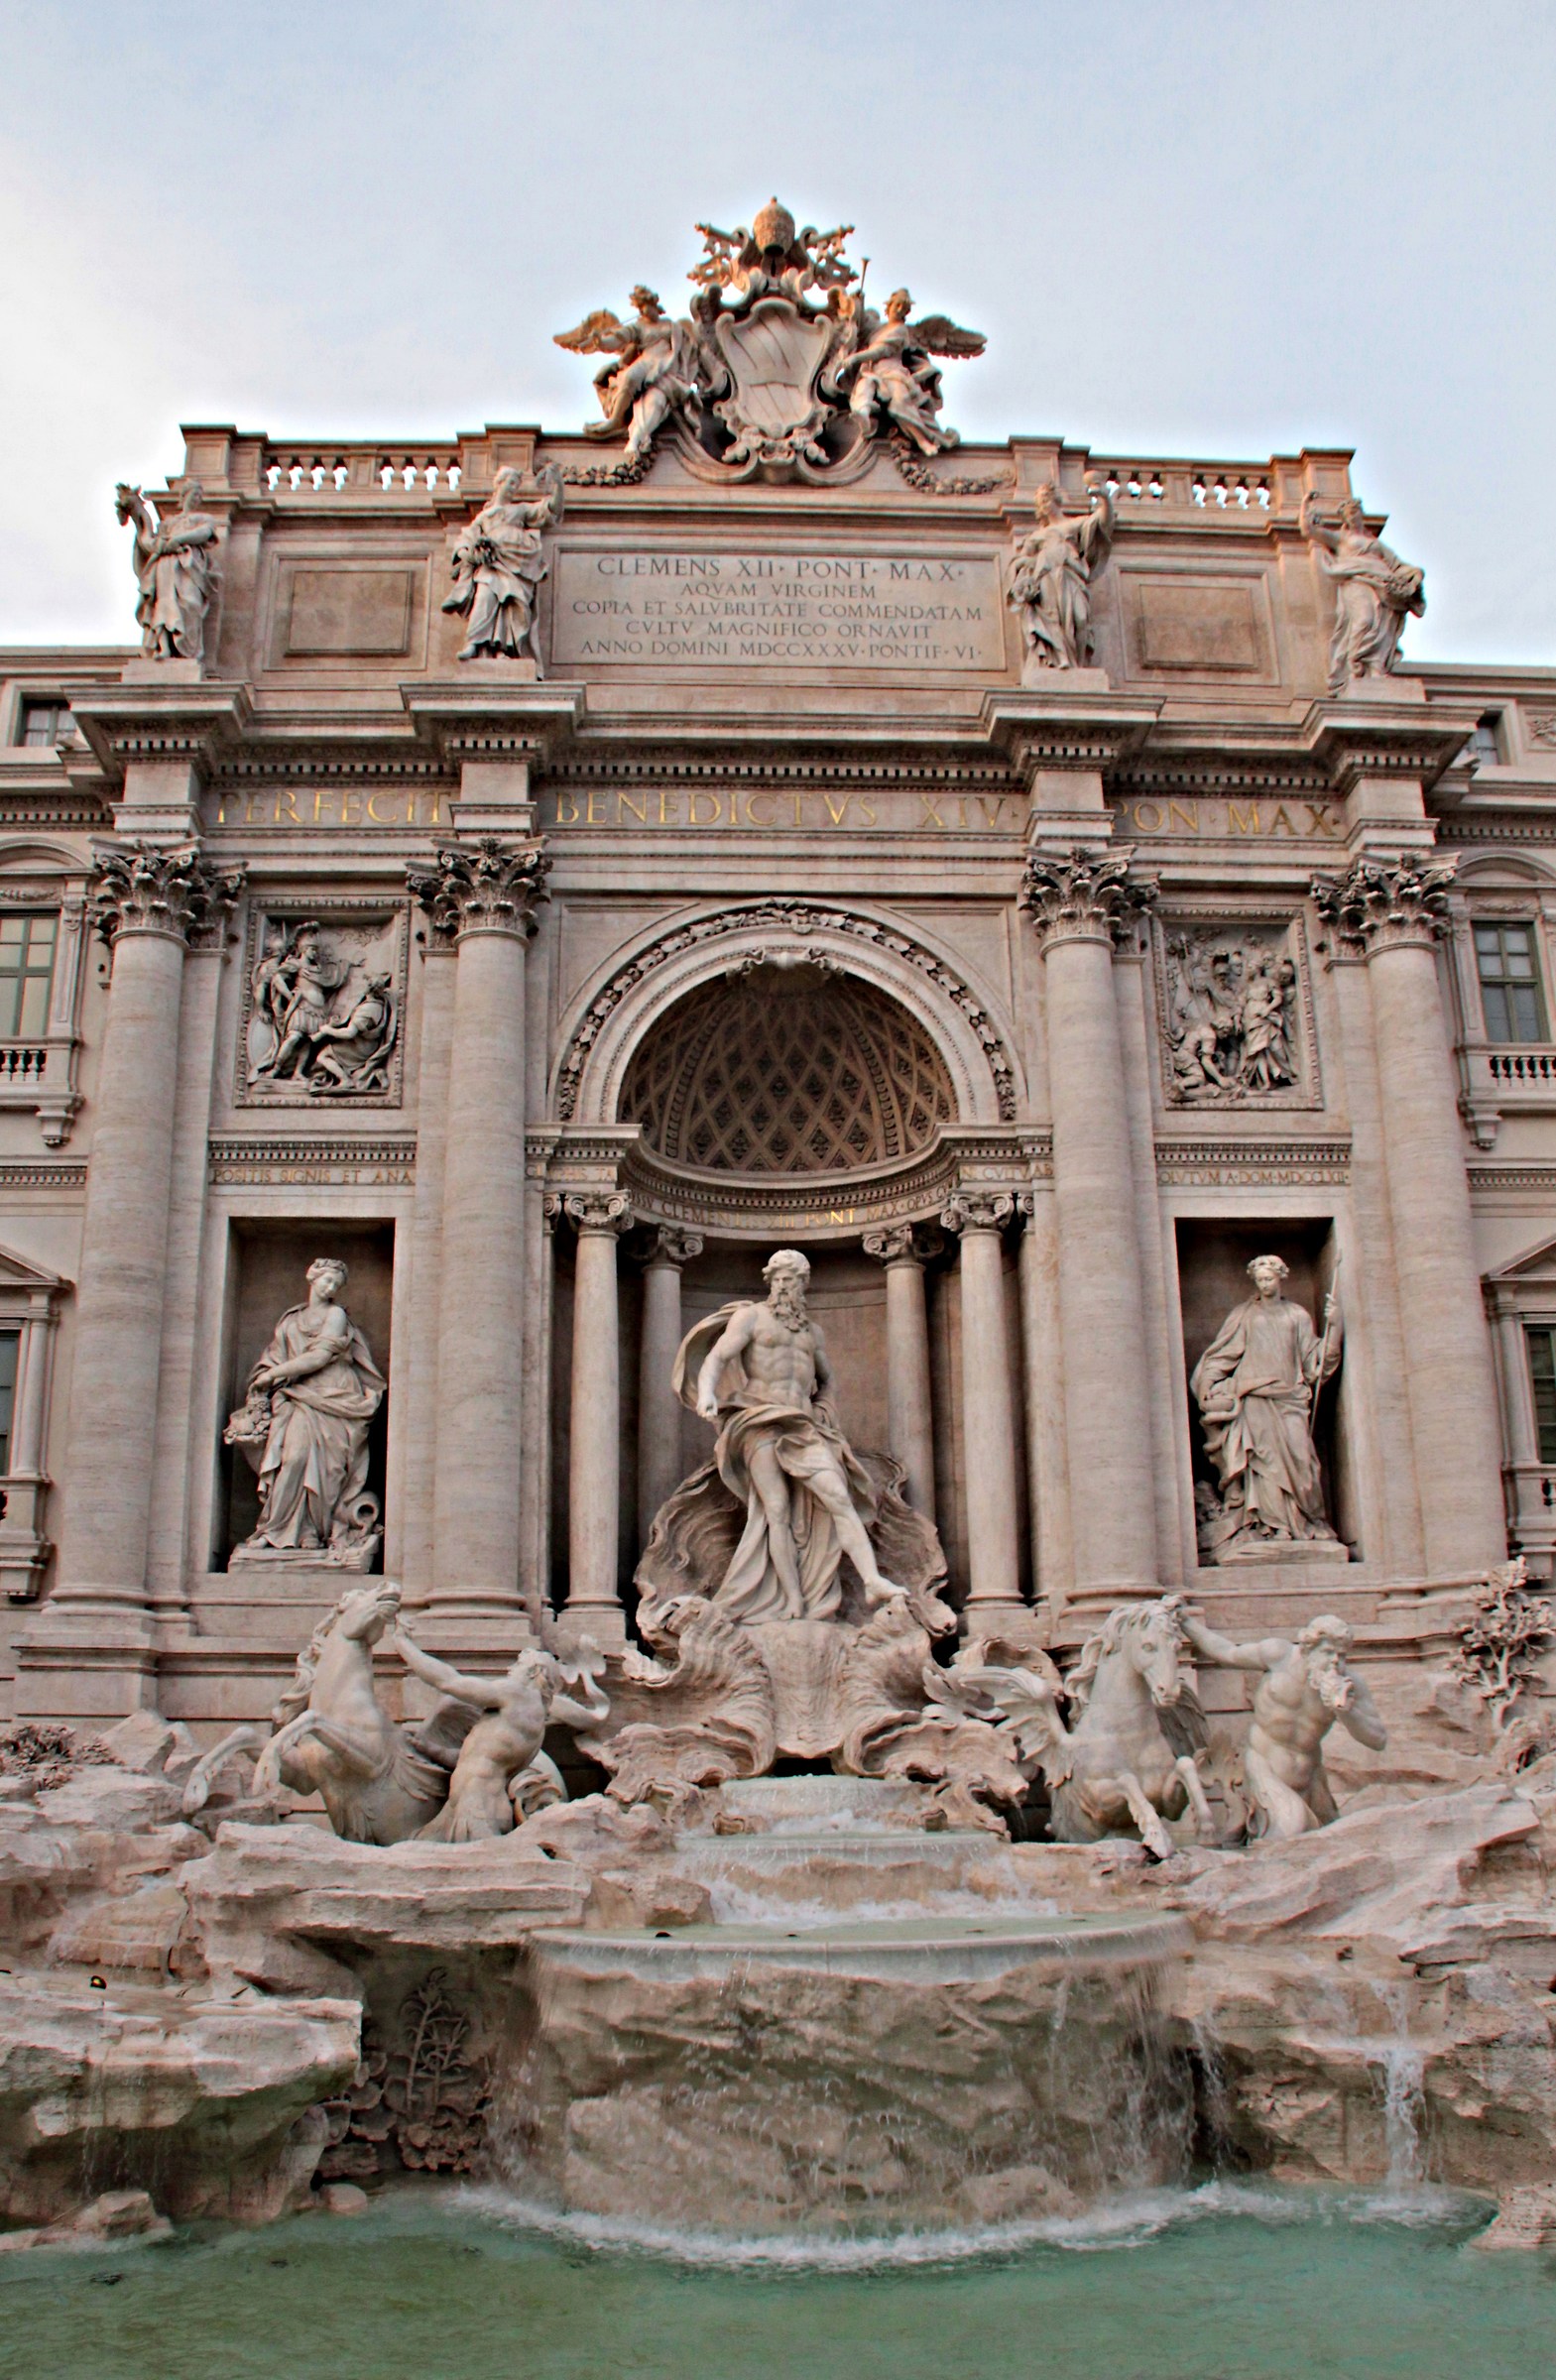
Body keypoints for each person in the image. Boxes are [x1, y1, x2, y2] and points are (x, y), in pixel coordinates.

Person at [677, 1249, 906, 1621]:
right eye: (780, 1279)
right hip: (760, 1421)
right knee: (776, 1510)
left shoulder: (811, 1332)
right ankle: (792, 1601)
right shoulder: (751, 1318)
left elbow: (827, 1380)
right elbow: (717, 1358)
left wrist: (825, 1409)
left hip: (802, 1426)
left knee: (838, 1496)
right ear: (770, 1282)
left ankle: (872, 1580)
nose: (786, 1286)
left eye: (793, 1280)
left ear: (804, 1285)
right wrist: (707, 1394)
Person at [1179, 1608, 1386, 1838]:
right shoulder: (1279, 1655)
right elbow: (1227, 1652)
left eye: (1342, 1655)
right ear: (1309, 1649)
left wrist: (1347, 1712)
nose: (1335, 1662)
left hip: (1311, 1777)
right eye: (1328, 1653)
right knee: (1291, 1829)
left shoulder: (1349, 1685)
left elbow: (1378, 1740)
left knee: (1331, 1838)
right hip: (1264, 1767)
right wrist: (1186, 1622)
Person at [230, 1258, 385, 1555]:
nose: (330, 1288)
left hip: (334, 1394)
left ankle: (313, 1531)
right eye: (327, 1281)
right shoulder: (290, 1320)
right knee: (294, 1458)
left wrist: (273, 1375)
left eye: (336, 1285)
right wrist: (268, 1376)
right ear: (312, 1277)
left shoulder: (336, 1314)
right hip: (298, 1395)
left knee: (328, 1469)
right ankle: (275, 1529)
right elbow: (275, 1356)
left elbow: (318, 1357)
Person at [392, 1632, 609, 1842]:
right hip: (464, 1807)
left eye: (517, 1664)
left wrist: (403, 1645)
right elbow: (478, 1759)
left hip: (478, 1808)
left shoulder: (517, 1695)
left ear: (533, 1672)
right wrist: (431, 1750)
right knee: (412, 1851)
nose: (509, 1669)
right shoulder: (530, 1717)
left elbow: (449, 1682)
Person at [1190, 1254, 1341, 1549]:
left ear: (1281, 1278)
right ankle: (1269, 1526)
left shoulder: (1297, 1315)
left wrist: (1335, 1329)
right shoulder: (1244, 1315)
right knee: (1262, 1466)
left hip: (1290, 1399)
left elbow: (1316, 1363)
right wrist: (1208, 1383)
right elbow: (1222, 1355)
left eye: (1269, 1279)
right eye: (1259, 1280)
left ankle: (1302, 1522)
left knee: (1302, 1461)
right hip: (1254, 1399)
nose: (1264, 1284)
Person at [1300, 492, 1425, 693]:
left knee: (1380, 625)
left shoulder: (1374, 542)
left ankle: (1375, 669)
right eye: (1348, 513)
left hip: (1383, 583)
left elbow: (1395, 564)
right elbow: (1309, 530)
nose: (1352, 515)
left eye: (1355, 511)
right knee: (1365, 620)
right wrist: (1306, 505)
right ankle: (1355, 664)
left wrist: (1414, 574)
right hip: (1357, 581)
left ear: (1360, 513)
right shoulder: (1341, 539)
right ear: (1344, 518)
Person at [442, 466, 562, 665]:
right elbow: (465, 540)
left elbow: (551, 510)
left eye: (516, 484)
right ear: (499, 483)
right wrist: (472, 554)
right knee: (484, 597)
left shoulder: (520, 510)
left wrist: (558, 484)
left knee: (513, 604)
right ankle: (475, 644)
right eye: (511, 482)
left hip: (518, 563)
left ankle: (505, 648)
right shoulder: (483, 517)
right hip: (491, 563)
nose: (513, 488)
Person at [1008, 476, 1115, 670]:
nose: (1044, 505)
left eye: (1046, 499)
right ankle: (1061, 658)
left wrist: (1105, 498)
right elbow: (1019, 561)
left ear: (1056, 499)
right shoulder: (1036, 536)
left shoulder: (1074, 524)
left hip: (1070, 575)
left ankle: (1078, 664)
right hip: (1047, 577)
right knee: (1054, 620)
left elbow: (1104, 523)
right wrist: (1030, 568)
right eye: (1041, 502)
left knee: (1080, 618)